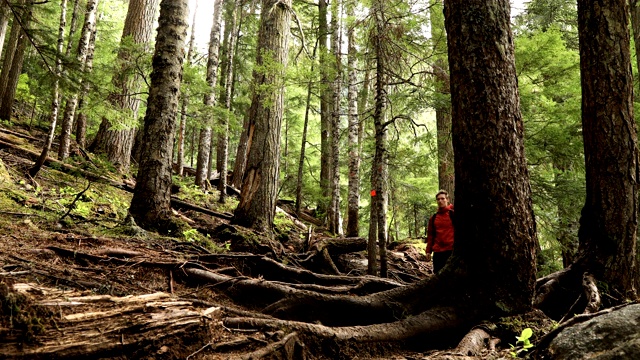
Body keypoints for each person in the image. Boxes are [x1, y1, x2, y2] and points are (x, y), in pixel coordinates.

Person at [425, 190, 454, 273]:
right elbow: (431, 235)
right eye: (438, 199)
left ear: (447, 200)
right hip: (438, 252)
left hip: (451, 250)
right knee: (438, 274)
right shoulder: (433, 218)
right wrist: (428, 251)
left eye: (442, 198)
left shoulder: (453, 214)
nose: (440, 201)